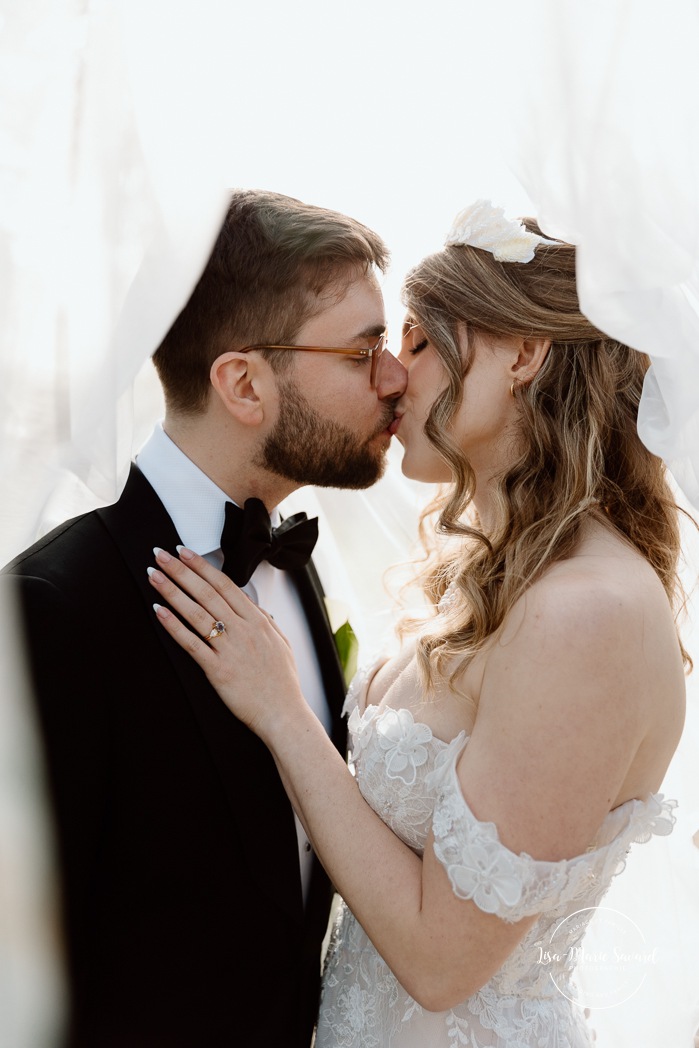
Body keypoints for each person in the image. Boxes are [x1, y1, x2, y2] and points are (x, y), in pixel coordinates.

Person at [148, 201, 688, 1047]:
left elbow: (442, 965)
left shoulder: (588, 611)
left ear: (524, 354)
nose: (394, 377)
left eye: (421, 341)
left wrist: (283, 712)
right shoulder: (497, 580)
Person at [1, 189, 407, 1048]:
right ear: (243, 384)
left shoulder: (294, 566)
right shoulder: (50, 607)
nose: (394, 376)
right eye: (362, 349)